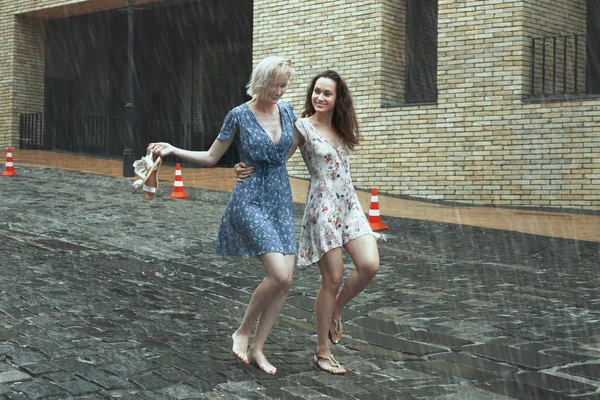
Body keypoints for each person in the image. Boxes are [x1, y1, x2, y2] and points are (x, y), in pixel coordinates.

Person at [148, 56, 296, 376]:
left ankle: (258, 348)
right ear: (261, 81)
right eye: (276, 85)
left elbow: (287, 149)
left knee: (285, 283)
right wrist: (174, 150)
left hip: (281, 200)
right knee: (280, 275)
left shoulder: (287, 110)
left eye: (284, 86)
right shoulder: (238, 115)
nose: (281, 92)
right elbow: (212, 156)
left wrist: (267, 161)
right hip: (250, 199)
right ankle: (242, 331)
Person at [235, 70, 380, 374]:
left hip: (349, 204)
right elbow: (275, 157)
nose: (320, 97)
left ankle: (336, 308)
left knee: (369, 265)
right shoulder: (302, 126)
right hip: (322, 207)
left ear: (338, 98)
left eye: (327, 93)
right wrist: (244, 165)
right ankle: (322, 351)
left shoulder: (342, 127)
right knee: (333, 277)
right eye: (316, 91)